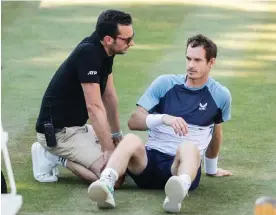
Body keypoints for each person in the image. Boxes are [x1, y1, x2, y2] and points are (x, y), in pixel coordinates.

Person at [87, 34, 233, 213]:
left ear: (211, 63)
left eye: (197, 60)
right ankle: (106, 183)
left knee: (189, 147)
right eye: (188, 58)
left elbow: (216, 132)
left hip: (180, 168)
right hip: (148, 164)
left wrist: (211, 169)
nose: (190, 65)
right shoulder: (165, 83)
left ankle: (177, 192)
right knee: (131, 139)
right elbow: (134, 121)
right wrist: (164, 118)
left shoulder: (220, 95)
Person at [31, 9, 135, 184]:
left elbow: (109, 96)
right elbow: (94, 107)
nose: (132, 44)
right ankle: (52, 156)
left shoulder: (106, 50)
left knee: (127, 160)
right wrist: (108, 149)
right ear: (109, 39)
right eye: (128, 39)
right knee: (114, 177)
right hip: (59, 135)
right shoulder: (89, 54)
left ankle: (64, 154)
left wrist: (116, 134)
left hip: (77, 128)